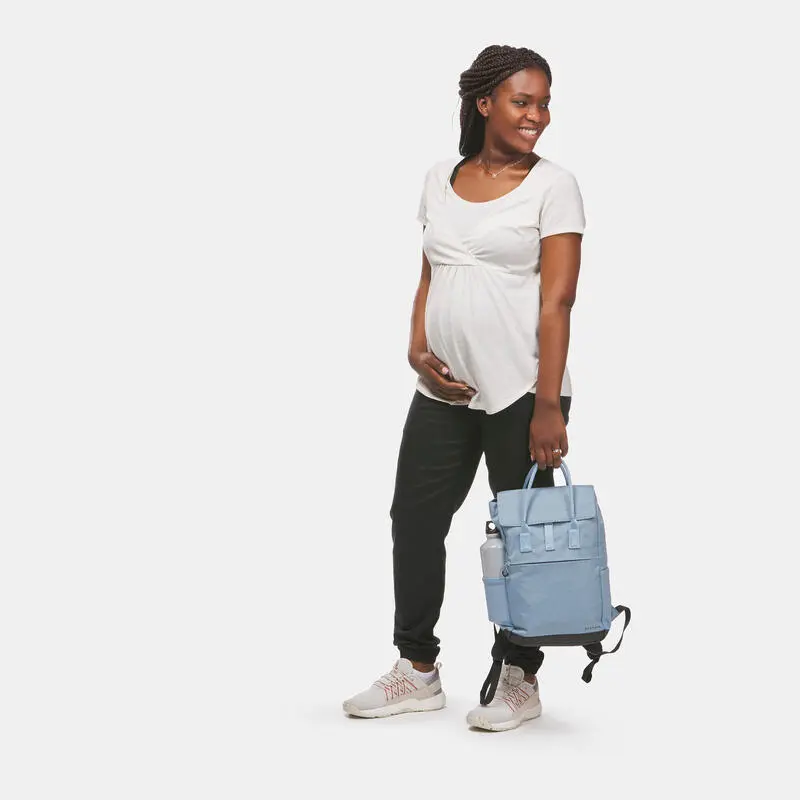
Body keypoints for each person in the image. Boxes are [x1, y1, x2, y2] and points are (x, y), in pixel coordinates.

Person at [342, 45, 586, 732]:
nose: (537, 115)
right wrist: (416, 349)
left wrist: (547, 404)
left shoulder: (555, 186)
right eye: (522, 101)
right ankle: (417, 668)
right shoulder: (439, 179)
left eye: (543, 103)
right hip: (444, 391)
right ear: (484, 104)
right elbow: (431, 272)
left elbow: (559, 300)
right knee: (414, 519)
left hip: (523, 391)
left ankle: (520, 676)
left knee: (523, 535)